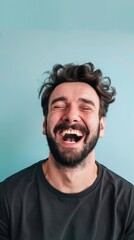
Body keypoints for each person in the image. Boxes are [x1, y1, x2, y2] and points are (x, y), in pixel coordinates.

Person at [0, 62, 134, 240]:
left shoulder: (129, 204)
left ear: (101, 127)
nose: (71, 115)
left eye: (86, 107)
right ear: (44, 124)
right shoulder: (6, 198)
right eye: (59, 106)